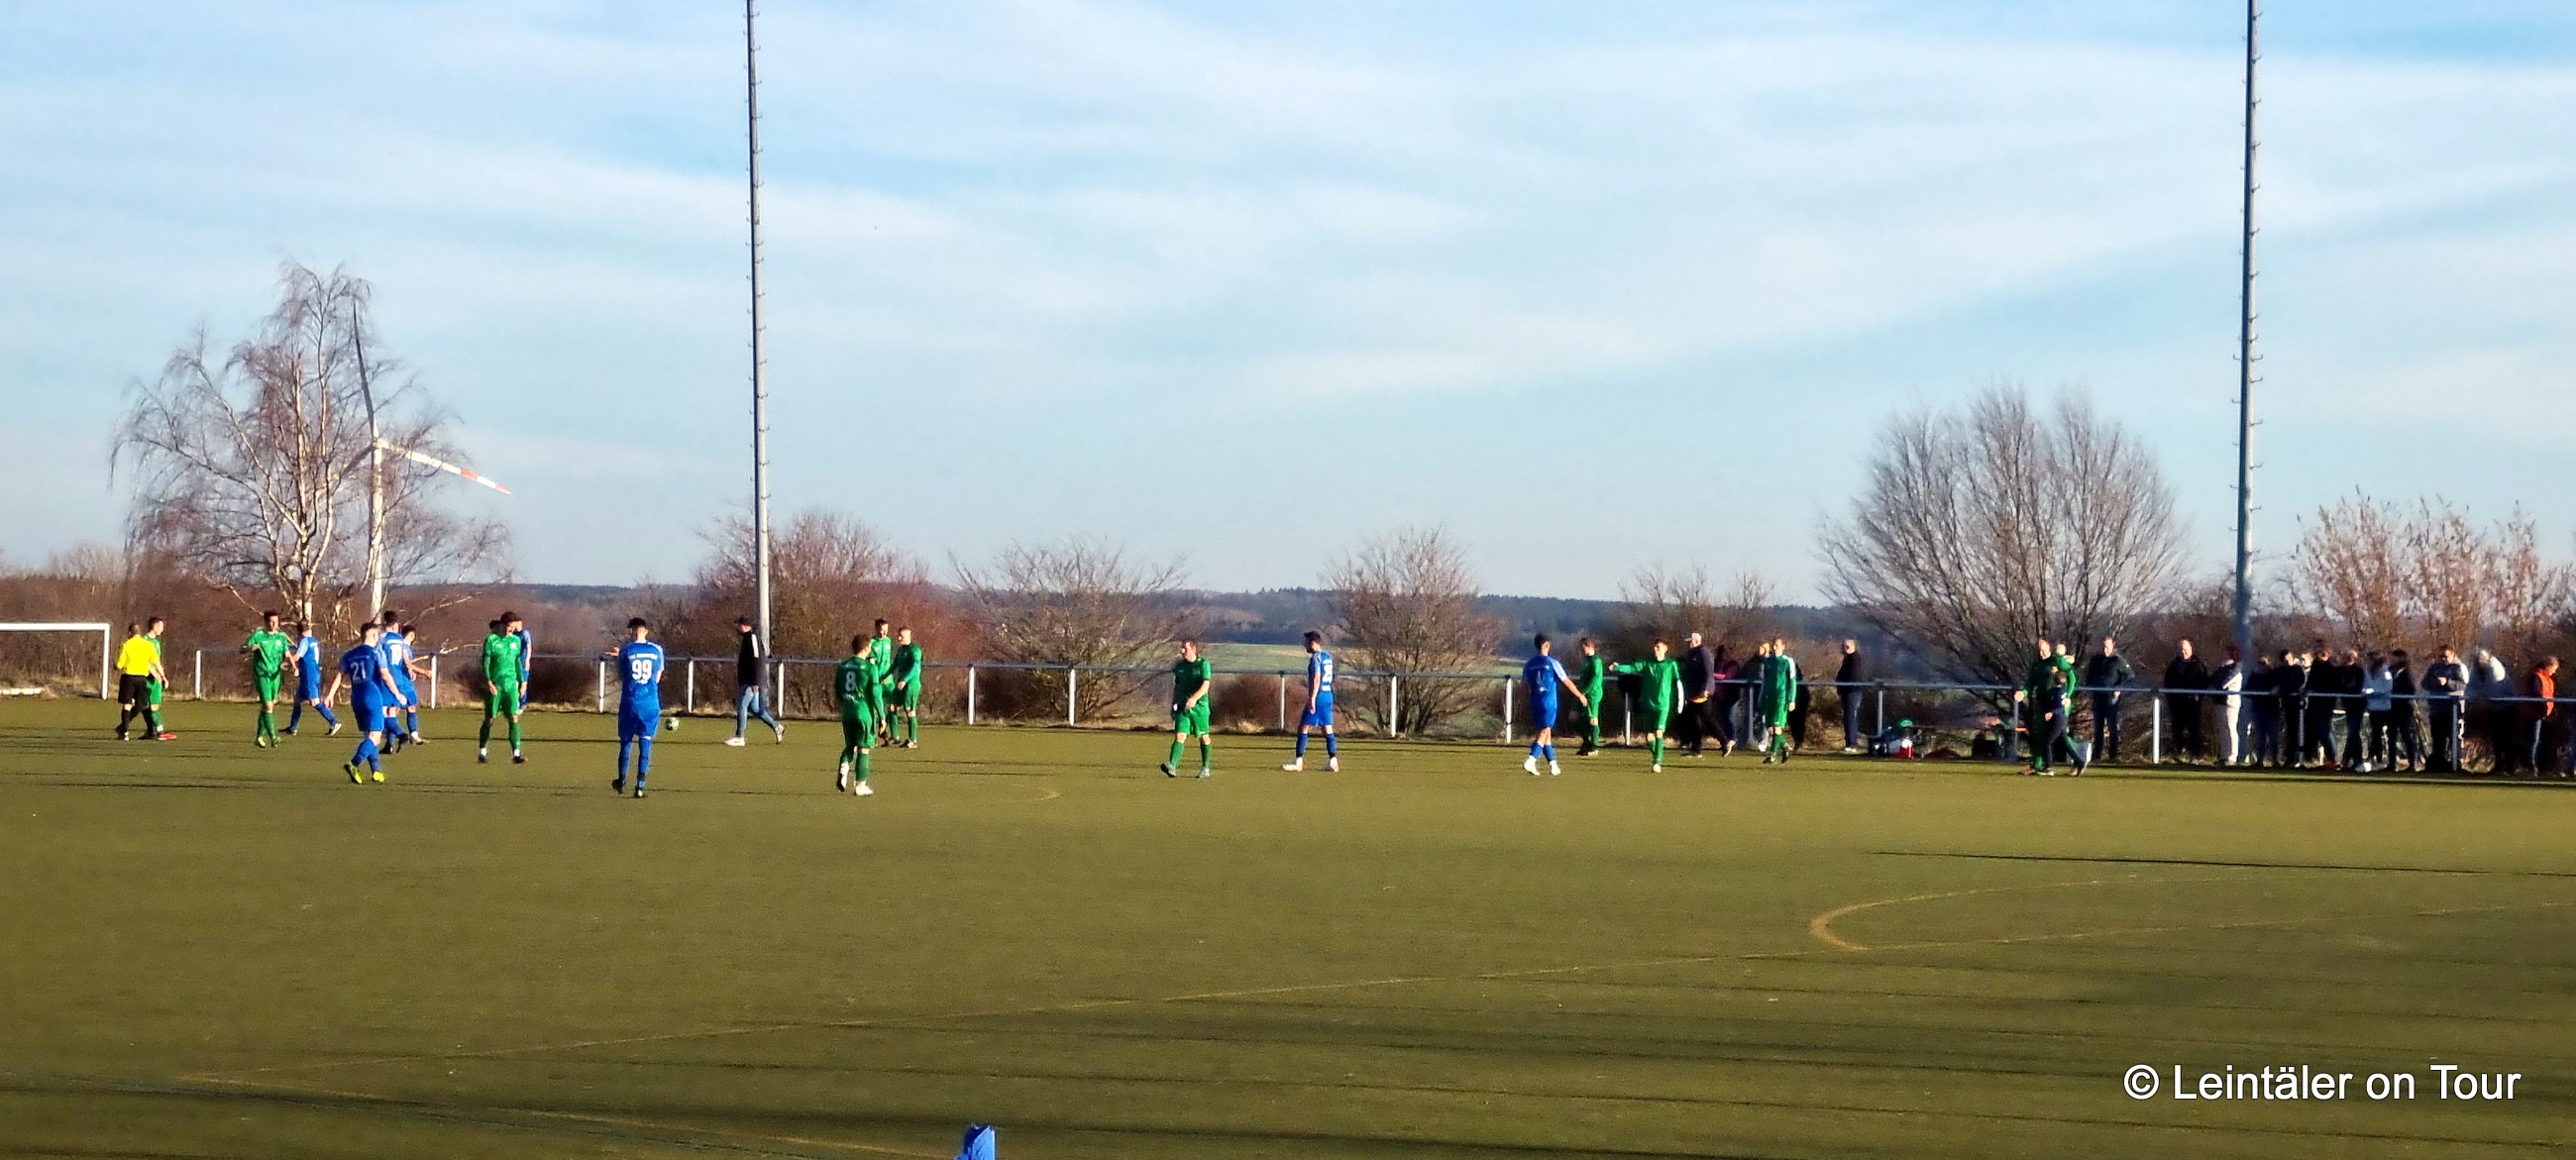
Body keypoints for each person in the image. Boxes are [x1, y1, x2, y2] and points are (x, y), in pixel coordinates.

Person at [323, 622, 407, 784]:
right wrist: (398, 694)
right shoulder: (376, 652)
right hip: (372, 695)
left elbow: (339, 675)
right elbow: (385, 675)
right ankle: (353, 763)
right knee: (375, 737)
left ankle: (376, 771)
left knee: (369, 735)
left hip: (356, 697)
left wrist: (330, 695)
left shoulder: (350, 654)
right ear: (374, 635)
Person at [604, 618, 666, 797]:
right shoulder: (657, 650)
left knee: (626, 741)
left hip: (630, 702)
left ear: (631, 631)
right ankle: (640, 786)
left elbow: (623, 674)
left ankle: (621, 780)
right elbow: (657, 676)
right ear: (646, 631)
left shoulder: (626, 650)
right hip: (650, 703)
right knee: (645, 741)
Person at [1518, 634, 1588, 777]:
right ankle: (1531, 759)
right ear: (1546, 645)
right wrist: (1580, 695)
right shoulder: (1552, 662)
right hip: (1548, 701)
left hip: (1535, 701)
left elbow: (1524, 686)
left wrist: (1524, 702)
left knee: (1545, 733)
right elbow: (1566, 681)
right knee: (1545, 731)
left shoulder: (1529, 664)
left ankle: (1553, 764)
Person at [1611, 640, 1682, 771]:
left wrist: (1680, 702)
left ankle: (1657, 761)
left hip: (1663, 705)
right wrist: (1618, 667)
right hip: (1648, 703)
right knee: (1649, 736)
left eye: (1658, 647)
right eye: (1654, 646)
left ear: (1665, 649)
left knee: (1659, 732)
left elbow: (1678, 683)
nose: (1655, 649)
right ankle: (1656, 756)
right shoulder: (1647, 663)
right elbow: (1632, 668)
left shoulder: (1671, 664)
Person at [1281, 631, 1340, 772]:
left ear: (1312, 643)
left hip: (1318, 696)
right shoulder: (1327, 657)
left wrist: (1312, 697)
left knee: (1303, 727)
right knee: (1327, 728)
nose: (1305, 646)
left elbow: (1316, 678)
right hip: (1327, 694)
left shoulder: (1316, 658)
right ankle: (1333, 761)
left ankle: (1298, 761)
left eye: (1306, 643)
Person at [725, 616, 784, 747]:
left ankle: (739, 737)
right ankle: (776, 726)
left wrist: (756, 681)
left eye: (740, 625)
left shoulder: (752, 638)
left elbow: (757, 660)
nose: (738, 628)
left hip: (750, 681)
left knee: (741, 706)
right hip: (749, 680)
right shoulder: (748, 638)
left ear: (746, 626)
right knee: (755, 708)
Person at [478, 614, 528, 765]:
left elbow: (517, 662)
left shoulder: (516, 641)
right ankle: (482, 751)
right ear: (501, 625)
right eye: (507, 626)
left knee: (513, 717)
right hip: (495, 685)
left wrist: (522, 682)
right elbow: (485, 662)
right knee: (490, 718)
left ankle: (516, 754)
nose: (509, 629)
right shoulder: (491, 640)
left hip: (511, 685)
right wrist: (488, 681)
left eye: (512, 627)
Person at [833, 636, 881, 795]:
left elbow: (837, 689)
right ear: (866, 648)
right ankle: (860, 785)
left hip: (847, 712)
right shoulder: (870, 668)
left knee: (850, 746)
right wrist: (882, 716)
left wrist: (845, 704)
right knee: (864, 748)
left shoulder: (843, 666)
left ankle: (844, 769)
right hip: (863, 713)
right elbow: (875, 694)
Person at [1161, 638, 1215, 779]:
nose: (1182, 650)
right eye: (1181, 648)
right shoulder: (1179, 666)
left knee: (1204, 737)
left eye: (1185, 648)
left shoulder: (1203, 665)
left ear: (1194, 649)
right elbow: (1177, 686)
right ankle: (1172, 766)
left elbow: (1206, 685)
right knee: (1180, 735)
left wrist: (1195, 698)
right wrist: (1174, 703)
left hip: (1200, 708)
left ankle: (1205, 767)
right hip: (1183, 707)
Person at [242, 611, 294, 748]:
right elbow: (242, 649)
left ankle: (259, 736)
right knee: (268, 706)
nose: (274, 624)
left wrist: (294, 666)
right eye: (271, 621)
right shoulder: (258, 635)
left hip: (275, 675)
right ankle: (273, 737)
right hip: (262, 674)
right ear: (266, 622)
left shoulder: (281, 637)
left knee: (268, 706)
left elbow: (287, 654)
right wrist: (250, 648)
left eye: (276, 621)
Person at [113, 619, 169, 741]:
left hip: (132, 677)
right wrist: (160, 675)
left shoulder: (129, 644)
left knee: (132, 705)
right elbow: (153, 663)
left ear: (130, 632)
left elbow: (120, 664)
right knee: (143, 705)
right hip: (143, 678)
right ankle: (152, 730)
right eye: (161, 626)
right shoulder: (147, 644)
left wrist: (116, 666)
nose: (162, 629)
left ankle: (126, 731)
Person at [283, 620, 341, 737]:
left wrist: (286, 662)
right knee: (297, 700)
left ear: (299, 631)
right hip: (311, 673)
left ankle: (334, 722)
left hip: (309, 675)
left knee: (314, 702)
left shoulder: (304, 641)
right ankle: (293, 727)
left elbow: (297, 656)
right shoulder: (314, 640)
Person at [2084, 637, 2133, 764]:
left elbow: (2129, 675)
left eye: (2107, 647)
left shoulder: (2118, 660)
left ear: (2113, 645)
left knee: (2112, 726)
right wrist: (2089, 689)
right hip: (2098, 697)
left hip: (2111, 697)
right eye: (2103, 647)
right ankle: (2097, 755)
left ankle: (2113, 755)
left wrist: (2119, 687)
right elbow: (2089, 676)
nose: (2105, 650)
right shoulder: (2096, 660)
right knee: (2098, 727)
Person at [2161, 640, 2211, 762]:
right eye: (2181, 650)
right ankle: (2178, 753)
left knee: (2193, 729)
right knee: (2177, 729)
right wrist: (2170, 696)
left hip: (2192, 704)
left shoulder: (2198, 665)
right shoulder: (2174, 665)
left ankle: (2195, 756)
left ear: (2191, 649)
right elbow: (2167, 682)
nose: (2184, 652)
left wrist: (2197, 696)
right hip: (2177, 703)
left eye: (2186, 650)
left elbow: (2204, 682)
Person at [2421, 647, 2468, 773]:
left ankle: (2456, 764)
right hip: (2436, 709)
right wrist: (2435, 682)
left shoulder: (2459, 667)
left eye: (2446, 656)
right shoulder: (2434, 668)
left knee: (2454, 737)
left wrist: (2447, 682)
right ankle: (2439, 764)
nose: (2443, 659)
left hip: (2453, 709)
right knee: (2437, 738)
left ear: (2453, 655)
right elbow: (2424, 684)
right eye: (2441, 656)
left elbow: (2464, 685)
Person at [378, 616, 422, 749]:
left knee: (386, 711)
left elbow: (376, 656)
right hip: (399, 679)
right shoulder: (399, 640)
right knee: (393, 710)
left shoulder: (381, 638)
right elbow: (405, 657)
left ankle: (397, 736)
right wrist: (410, 670)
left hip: (386, 677)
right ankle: (392, 742)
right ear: (395, 624)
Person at [1758, 638, 1800, 765]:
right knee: (1770, 728)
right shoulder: (1768, 661)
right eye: (1774, 645)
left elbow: (1792, 681)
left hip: (1781, 697)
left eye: (1777, 645)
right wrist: (1761, 696)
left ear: (1783, 646)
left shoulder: (1788, 661)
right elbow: (1764, 681)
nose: (1775, 647)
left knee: (1777, 727)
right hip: (1769, 697)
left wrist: (1792, 699)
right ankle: (1785, 747)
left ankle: (1772, 755)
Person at [2467, 649, 2510, 773]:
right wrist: (2478, 696)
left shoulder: (2495, 668)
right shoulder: (2477, 669)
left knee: (2504, 738)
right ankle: (2499, 765)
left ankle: (2509, 765)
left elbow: (2495, 690)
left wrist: (2480, 695)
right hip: (2491, 708)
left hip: (2505, 707)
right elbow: (2470, 688)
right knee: (2495, 739)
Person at [1676, 633, 1716, 758]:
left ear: (1697, 641)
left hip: (1702, 693)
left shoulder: (1704, 653)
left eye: (1691, 641)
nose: (1689, 644)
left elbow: (1708, 673)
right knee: (1693, 719)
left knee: (1706, 719)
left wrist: (1706, 689)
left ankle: (1725, 741)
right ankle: (1695, 747)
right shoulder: (1691, 655)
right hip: (1693, 692)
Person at [2520, 657, 2559, 778]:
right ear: (2548, 666)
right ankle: (2530, 765)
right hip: (2534, 714)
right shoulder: (2536, 677)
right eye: (2554, 669)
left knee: (2544, 740)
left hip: (2544, 715)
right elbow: (2536, 694)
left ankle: (2542, 765)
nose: (2554, 672)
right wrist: (2543, 707)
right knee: (2533, 740)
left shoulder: (2548, 679)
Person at [2386, 649, 2422, 774]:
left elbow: (2411, 689)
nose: (2391, 660)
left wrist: (2396, 690)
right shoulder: (2389, 671)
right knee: (2391, 736)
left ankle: (2413, 763)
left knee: (2406, 735)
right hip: (2391, 707)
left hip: (2404, 708)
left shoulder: (2407, 673)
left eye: (2394, 657)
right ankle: (2391, 764)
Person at [889, 626, 924, 749]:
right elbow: (894, 665)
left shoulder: (915, 650)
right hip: (901, 682)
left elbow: (915, 667)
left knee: (910, 710)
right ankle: (895, 737)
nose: (899, 638)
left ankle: (912, 740)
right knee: (892, 707)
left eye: (902, 636)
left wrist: (905, 679)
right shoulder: (900, 650)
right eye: (898, 636)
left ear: (909, 636)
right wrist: (883, 676)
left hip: (911, 684)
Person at [2359, 652, 2395, 774]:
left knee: (2385, 734)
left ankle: (2384, 760)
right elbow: (2366, 685)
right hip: (2373, 707)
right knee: (2375, 734)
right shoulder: (2368, 672)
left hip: (2385, 707)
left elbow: (2387, 687)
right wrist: (2365, 691)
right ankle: (2374, 758)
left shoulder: (2385, 671)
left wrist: (2372, 691)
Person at [2209, 644, 2245, 766]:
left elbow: (2223, 683)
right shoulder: (2223, 668)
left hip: (2230, 703)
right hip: (2220, 701)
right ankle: (2224, 755)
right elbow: (2212, 680)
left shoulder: (2236, 669)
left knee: (2230, 729)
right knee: (2223, 730)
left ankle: (2232, 756)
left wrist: (2216, 684)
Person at [1572, 636, 1607, 757]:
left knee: (1593, 719)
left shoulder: (1596, 661)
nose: (1581, 650)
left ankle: (1594, 747)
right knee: (1576, 716)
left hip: (1592, 694)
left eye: (1583, 647)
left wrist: (1584, 692)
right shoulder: (1586, 660)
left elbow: (1594, 678)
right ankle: (1586, 743)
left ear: (1589, 647)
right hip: (1582, 693)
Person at [869, 618, 899, 746]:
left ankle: (894, 736)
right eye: (882, 630)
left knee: (893, 706)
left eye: (886, 630)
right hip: (877, 680)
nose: (885, 632)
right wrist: (875, 676)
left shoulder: (888, 641)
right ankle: (873, 737)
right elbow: (871, 662)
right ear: (876, 629)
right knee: (875, 708)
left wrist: (888, 674)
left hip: (889, 680)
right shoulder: (871, 642)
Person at [1833, 639, 1867, 754]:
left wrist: (1844, 687)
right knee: (1848, 718)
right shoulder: (1847, 659)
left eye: (1845, 647)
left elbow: (1853, 677)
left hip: (1852, 692)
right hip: (1847, 692)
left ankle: (1852, 744)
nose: (1843, 649)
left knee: (1851, 717)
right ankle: (1849, 743)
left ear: (1849, 647)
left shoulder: (1855, 659)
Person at [1708, 644, 1743, 756]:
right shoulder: (1716, 662)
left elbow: (1727, 676)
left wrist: (1712, 675)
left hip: (1731, 695)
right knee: (1722, 719)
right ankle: (1726, 741)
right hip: (1720, 695)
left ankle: (1732, 739)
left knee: (1730, 718)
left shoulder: (1733, 664)